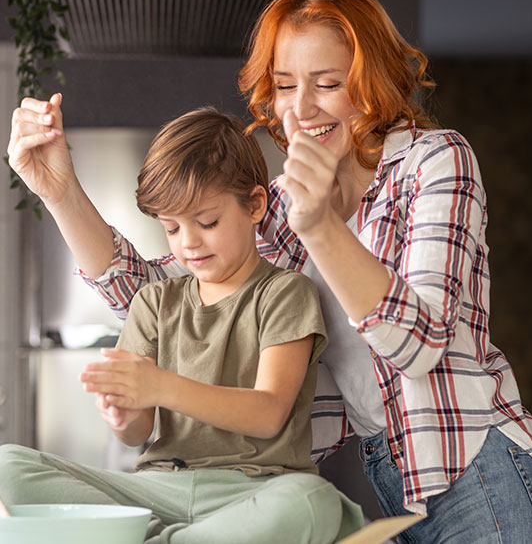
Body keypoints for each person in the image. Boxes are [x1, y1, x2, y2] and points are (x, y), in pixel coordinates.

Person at [7, 0, 532, 541]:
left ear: (374, 85)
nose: (301, 108)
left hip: (481, 463)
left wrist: (318, 223)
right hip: (396, 475)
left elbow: (417, 342)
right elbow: (162, 294)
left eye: (329, 83)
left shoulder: (433, 161)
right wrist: (59, 191)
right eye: (287, 85)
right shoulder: (285, 203)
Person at [0, 107, 364, 543]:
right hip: (156, 490)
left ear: (254, 205)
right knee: (8, 467)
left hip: (252, 491)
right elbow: (136, 433)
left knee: (312, 501)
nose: (188, 242)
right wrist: (123, 413)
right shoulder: (154, 302)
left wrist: (159, 386)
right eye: (172, 228)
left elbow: (268, 414)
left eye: (207, 222)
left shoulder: (286, 293)